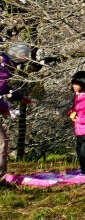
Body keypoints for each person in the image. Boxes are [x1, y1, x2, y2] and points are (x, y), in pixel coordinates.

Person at [0, 49, 30, 180]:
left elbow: (3, 88)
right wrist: (6, 108)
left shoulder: (5, 67)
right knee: (1, 142)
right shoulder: (3, 69)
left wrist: (19, 96)